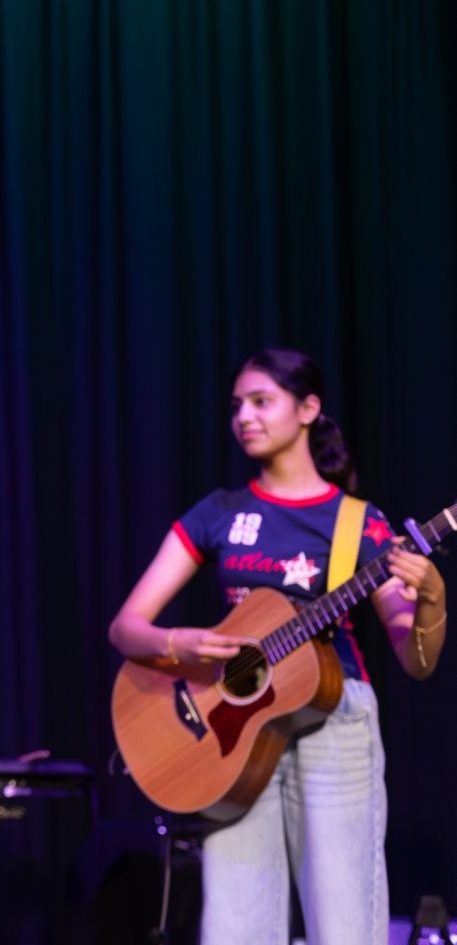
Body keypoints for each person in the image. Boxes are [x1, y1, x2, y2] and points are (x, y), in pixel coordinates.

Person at [108, 348, 447, 945]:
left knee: (345, 928)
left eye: (262, 401)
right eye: (237, 405)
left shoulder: (358, 522)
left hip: (333, 723)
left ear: (308, 409)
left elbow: (415, 661)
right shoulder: (220, 512)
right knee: (233, 931)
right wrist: (182, 643)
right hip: (232, 737)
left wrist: (434, 599)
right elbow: (126, 627)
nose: (244, 416)